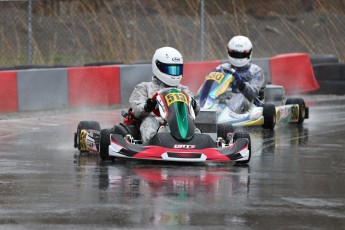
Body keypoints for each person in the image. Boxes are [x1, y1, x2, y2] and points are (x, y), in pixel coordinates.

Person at [129, 47, 200, 142]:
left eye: (177, 69)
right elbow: (136, 110)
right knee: (149, 121)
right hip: (155, 121)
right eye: (170, 69)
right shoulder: (144, 87)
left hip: (177, 121)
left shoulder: (182, 89)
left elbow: (195, 110)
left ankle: (197, 141)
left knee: (190, 122)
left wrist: (194, 104)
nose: (174, 73)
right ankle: (152, 141)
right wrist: (147, 106)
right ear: (158, 66)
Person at [213, 35, 265, 113]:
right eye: (235, 54)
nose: (238, 57)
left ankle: (226, 115)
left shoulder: (255, 70)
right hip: (223, 100)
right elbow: (211, 87)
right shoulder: (221, 68)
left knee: (240, 96)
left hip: (247, 104)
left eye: (242, 54)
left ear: (249, 52)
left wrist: (241, 84)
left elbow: (253, 94)